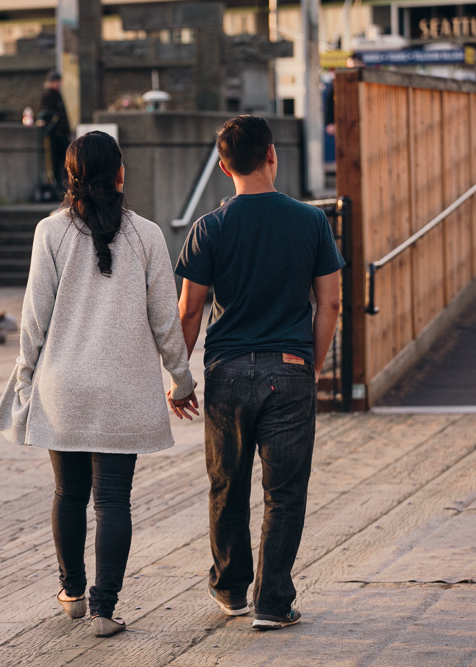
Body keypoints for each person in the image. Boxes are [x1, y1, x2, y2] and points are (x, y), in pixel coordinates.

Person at [0, 131, 197, 637]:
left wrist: (24, 377)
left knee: (68, 493)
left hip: (64, 388)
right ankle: (105, 610)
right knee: (113, 501)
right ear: (120, 174)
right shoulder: (147, 235)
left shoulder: (50, 232)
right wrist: (183, 379)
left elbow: (34, 319)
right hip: (124, 389)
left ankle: (72, 593)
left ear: (70, 176)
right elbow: (165, 321)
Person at [173, 115, 343, 630]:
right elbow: (330, 302)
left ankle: (231, 591)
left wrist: (181, 379)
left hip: (226, 374)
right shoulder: (312, 221)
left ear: (224, 168)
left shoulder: (210, 227)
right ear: (273, 155)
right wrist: (311, 365)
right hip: (290, 367)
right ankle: (273, 602)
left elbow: (189, 312)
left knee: (227, 483)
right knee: (285, 491)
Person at [39, 70, 71, 191]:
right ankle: (58, 183)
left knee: (65, 157)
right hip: (54, 134)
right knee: (56, 159)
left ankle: (64, 181)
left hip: (62, 133)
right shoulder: (48, 95)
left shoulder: (58, 95)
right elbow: (48, 115)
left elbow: (63, 114)